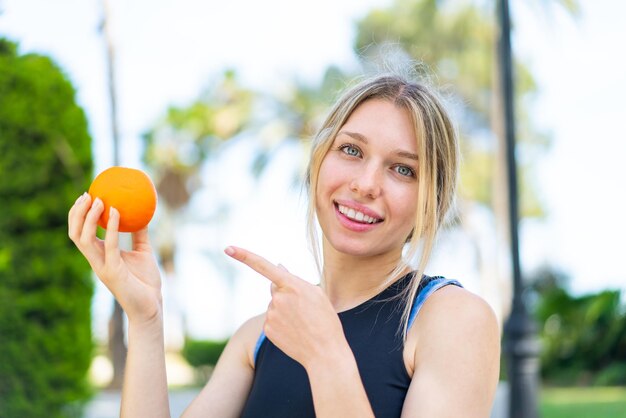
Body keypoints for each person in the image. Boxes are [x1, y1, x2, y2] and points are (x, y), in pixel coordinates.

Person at [68, 71, 500, 417]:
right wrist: (146, 319)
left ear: (433, 201)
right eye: (351, 150)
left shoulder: (453, 320)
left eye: (403, 170)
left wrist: (327, 355)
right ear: (318, 161)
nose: (366, 184)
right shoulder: (259, 335)